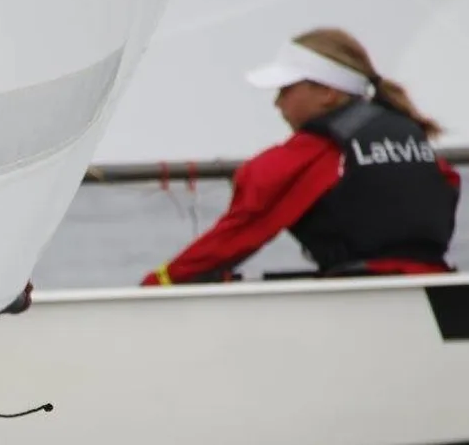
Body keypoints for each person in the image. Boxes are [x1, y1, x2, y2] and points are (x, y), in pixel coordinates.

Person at [141, 27, 459, 286]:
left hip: (365, 295)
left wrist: (161, 281)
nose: (277, 103)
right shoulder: (412, 138)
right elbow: (448, 183)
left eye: (286, 90)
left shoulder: (313, 154)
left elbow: (241, 229)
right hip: (432, 285)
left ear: (327, 93)